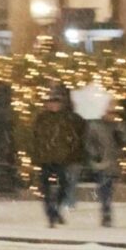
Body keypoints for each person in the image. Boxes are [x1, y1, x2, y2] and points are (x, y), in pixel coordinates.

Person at [31, 93, 85, 227]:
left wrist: (72, 151)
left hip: (62, 159)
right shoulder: (41, 119)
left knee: (64, 186)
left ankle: (55, 211)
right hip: (45, 159)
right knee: (46, 189)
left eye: (56, 103)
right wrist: (37, 154)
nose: (54, 105)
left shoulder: (67, 118)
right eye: (51, 102)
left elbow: (77, 135)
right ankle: (51, 214)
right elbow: (35, 138)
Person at [85, 108, 126, 228]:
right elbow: (89, 142)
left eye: (114, 114)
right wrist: (95, 154)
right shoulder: (95, 126)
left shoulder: (118, 126)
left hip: (113, 164)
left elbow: (124, 141)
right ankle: (106, 213)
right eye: (110, 113)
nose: (112, 116)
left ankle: (106, 211)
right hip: (101, 164)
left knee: (108, 190)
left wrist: (120, 135)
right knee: (104, 190)